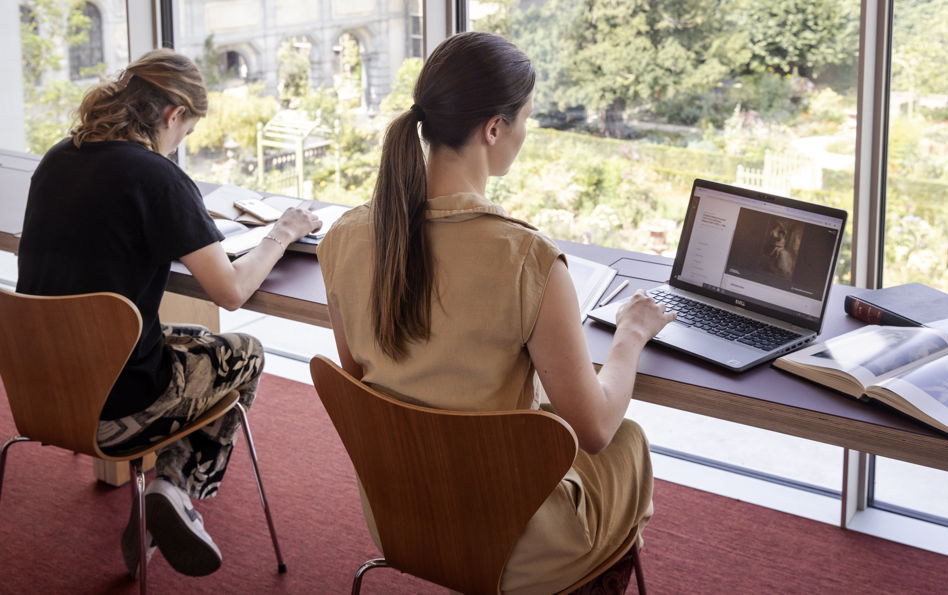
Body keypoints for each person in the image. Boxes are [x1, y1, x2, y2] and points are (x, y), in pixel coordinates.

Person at [317, 32, 673, 594]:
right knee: (629, 438)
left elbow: (367, 384)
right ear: (493, 129)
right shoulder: (527, 259)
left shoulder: (344, 238)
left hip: (401, 520)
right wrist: (630, 334)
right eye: (525, 119)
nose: (525, 135)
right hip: (514, 545)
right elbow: (596, 429)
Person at [15, 49, 320, 579]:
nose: (180, 145)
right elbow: (230, 291)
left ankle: (168, 498)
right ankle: (173, 491)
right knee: (241, 353)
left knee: (195, 339)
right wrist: (283, 232)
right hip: (117, 407)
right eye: (186, 132)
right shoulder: (158, 178)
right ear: (173, 114)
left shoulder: (58, 157)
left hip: (39, 391)